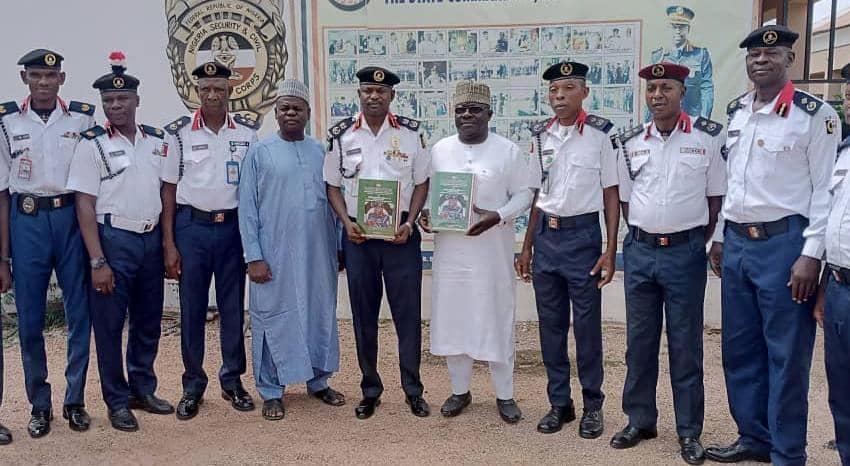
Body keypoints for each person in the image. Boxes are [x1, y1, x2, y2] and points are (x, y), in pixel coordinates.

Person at [706, 25, 839, 465]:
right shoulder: (738, 111)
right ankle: (754, 438)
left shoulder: (814, 115)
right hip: (740, 244)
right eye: (753, 56)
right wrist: (722, 235)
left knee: (785, 356)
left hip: (786, 247)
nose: (761, 60)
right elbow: (733, 183)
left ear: (789, 61)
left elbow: (824, 191)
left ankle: (787, 452)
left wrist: (810, 255)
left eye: (772, 54)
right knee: (740, 350)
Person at [610, 62, 725, 465]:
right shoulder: (629, 142)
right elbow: (625, 201)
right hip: (641, 253)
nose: (657, 95)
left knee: (685, 345)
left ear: (682, 92)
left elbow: (715, 202)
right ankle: (640, 420)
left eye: (666, 88)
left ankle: (689, 432)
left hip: (684, 254)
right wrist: (648, 233)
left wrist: (692, 239)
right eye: (652, 89)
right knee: (639, 345)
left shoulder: (707, 139)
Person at [420, 80, 540, 424]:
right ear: (453, 113)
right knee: (455, 319)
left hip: (491, 255)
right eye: (460, 109)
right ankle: (460, 391)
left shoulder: (508, 151)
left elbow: (524, 195)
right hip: (451, 255)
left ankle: (505, 395)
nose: (467, 115)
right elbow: (429, 195)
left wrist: (498, 216)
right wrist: (428, 216)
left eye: (474, 109)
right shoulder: (440, 150)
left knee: (495, 319)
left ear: (490, 112)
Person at [67, 52, 174, 432]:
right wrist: (97, 260)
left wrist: (167, 244)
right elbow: (84, 203)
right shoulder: (90, 145)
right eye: (108, 101)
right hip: (113, 240)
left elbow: (166, 195)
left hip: (148, 239)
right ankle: (116, 400)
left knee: (148, 321)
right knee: (110, 326)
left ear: (136, 100)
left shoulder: (157, 141)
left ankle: (142, 389)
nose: (115, 105)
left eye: (122, 99)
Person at [515, 61, 618, 437]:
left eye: (568, 89)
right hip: (547, 239)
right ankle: (560, 403)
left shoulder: (600, 135)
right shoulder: (541, 136)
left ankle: (593, 405)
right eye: (554, 91)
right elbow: (536, 196)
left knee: (587, 329)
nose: (560, 96)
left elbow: (611, 193)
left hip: (583, 240)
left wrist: (610, 248)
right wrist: (525, 248)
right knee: (551, 328)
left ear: (584, 93)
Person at [324, 66, 431, 420]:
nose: (374, 96)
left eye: (380, 92)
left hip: (400, 238)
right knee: (363, 316)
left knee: (408, 316)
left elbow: (421, 183)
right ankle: (370, 389)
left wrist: (411, 222)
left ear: (391, 97)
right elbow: (333, 186)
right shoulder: (342, 136)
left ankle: (412, 390)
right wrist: (345, 223)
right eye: (368, 90)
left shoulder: (412, 135)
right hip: (359, 239)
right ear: (359, 94)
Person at [0, 48, 95, 437]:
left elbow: (92, 179)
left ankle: (75, 401)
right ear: (24, 78)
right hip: (27, 222)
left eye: (50, 76)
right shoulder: (7, 121)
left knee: (79, 314)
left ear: (62, 79)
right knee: (30, 320)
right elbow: (2, 192)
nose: (43, 82)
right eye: (36, 75)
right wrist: (3, 255)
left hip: (70, 218)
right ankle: (39, 404)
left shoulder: (82, 117)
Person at [239, 79, 345, 421]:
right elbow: (247, 208)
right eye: (284, 107)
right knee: (274, 316)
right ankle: (271, 390)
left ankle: (318, 381)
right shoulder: (260, 151)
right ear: (276, 112)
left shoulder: (320, 152)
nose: (290, 113)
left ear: (308, 113)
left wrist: (340, 246)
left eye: (296, 108)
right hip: (274, 254)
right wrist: (253, 256)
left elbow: (334, 201)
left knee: (318, 313)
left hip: (318, 253)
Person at [161, 61, 258, 420]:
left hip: (232, 228)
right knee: (192, 309)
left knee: (233, 307)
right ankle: (193, 386)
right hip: (193, 229)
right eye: (206, 89)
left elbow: (253, 191)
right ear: (197, 92)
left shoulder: (247, 135)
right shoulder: (180, 134)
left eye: (219, 88)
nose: (213, 94)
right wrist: (169, 244)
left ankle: (232, 381)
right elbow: (168, 191)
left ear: (230, 90)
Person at [649, 6, 714, 119]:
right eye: (674, 27)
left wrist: (704, 119)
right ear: (669, 29)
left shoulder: (701, 55)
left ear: (688, 29)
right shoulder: (658, 57)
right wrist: (648, 123)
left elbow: (707, 89)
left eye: (682, 27)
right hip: (666, 122)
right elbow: (652, 92)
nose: (678, 31)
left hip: (692, 119)